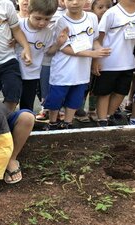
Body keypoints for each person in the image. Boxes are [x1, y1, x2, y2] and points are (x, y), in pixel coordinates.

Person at [44, 0, 111, 130]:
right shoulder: (61, 21)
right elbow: (65, 48)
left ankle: (68, 122)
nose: (74, 3)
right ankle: (52, 122)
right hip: (63, 69)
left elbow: (94, 40)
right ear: (63, 1)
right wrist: (92, 54)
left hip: (82, 70)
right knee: (56, 98)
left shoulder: (92, 17)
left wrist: (100, 51)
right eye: (69, 0)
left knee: (75, 98)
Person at [92, 0, 135, 126]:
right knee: (104, 92)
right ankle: (102, 120)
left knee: (121, 92)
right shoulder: (112, 13)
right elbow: (98, 38)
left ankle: (108, 116)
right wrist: (96, 59)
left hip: (128, 61)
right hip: (108, 61)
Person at [16, 0, 67, 111]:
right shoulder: (19, 25)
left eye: (47, 19)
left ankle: (26, 122)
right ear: (29, 12)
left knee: (27, 102)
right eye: (38, 18)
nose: (42, 23)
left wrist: (58, 43)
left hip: (32, 74)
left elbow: (48, 51)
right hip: (15, 70)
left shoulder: (47, 33)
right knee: (12, 98)